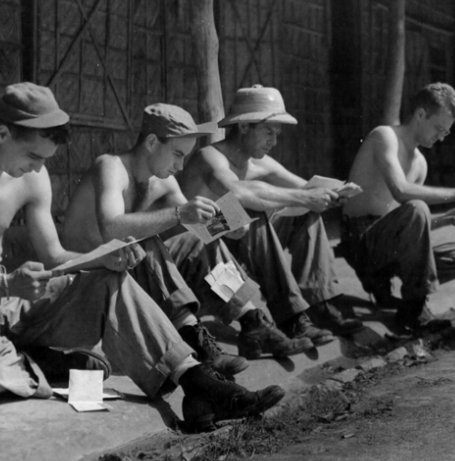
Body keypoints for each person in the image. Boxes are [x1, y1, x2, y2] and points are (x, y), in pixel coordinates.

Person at [0, 83, 283, 432]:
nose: (39, 169)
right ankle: (45, 360)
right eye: (33, 156)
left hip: (11, 300)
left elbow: (56, 256)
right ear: (3, 134)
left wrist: (100, 262)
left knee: (110, 280)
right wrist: (8, 282)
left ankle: (199, 383)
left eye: (44, 160)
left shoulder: (31, 176)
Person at [62, 103, 312, 365]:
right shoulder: (111, 167)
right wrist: (180, 213)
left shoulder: (163, 180)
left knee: (200, 242)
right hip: (91, 279)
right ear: (151, 143)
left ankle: (252, 323)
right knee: (147, 241)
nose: (180, 166)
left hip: (131, 273)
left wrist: (231, 225)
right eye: (177, 155)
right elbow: (112, 227)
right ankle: (194, 338)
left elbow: (199, 226)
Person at [179, 85, 363, 342]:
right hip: (204, 266)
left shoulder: (257, 162)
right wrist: (306, 196)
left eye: (277, 134)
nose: (274, 141)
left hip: (239, 255)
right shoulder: (210, 157)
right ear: (244, 127)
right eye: (268, 132)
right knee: (246, 209)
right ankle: (291, 318)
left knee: (304, 213)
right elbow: (239, 193)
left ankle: (320, 303)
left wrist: (333, 194)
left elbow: (305, 187)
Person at [340, 82, 455, 335]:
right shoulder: (384, 136)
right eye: (439, 128)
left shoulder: (420, 163)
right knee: (416, 206)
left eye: (446, 132)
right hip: (360, 242)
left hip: (388, 242)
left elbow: (412, 226)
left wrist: (446, 219)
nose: (442, 137)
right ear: (420, 114)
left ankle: (391, 289)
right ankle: (414, 310)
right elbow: (401, 192)